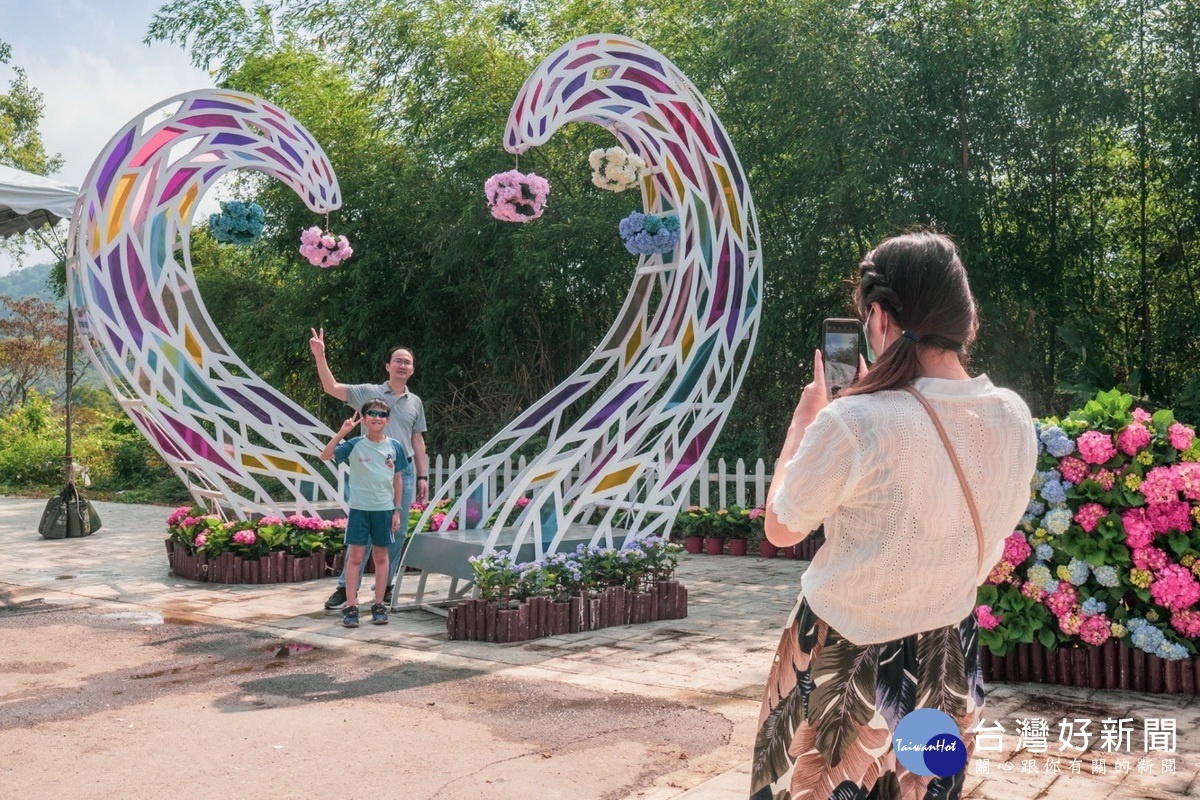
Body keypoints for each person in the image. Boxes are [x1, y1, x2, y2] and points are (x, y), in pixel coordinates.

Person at [751, 232, 1037, 799]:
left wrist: (803, 424)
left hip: (843, 658)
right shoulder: (1012, 416)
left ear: (878, 317)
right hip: (947, 656)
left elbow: (782, 526)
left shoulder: (851, 421)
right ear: (963, 319)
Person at [310, 329, 430, 610]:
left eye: (407, 362)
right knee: (360, 533)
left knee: (396, 533)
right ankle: (345, 589)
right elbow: (331, 387)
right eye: (398, 360)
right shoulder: (369, 393)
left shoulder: (415, 402)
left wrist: (423, 475)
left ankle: (386, 586)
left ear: (412, 369)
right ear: (388, 366)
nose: (402, 365)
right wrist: (320, 356)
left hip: (404, 473)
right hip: (369, 474)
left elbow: (417, 439)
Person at [320, 399, 406, 627]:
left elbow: (398, 480)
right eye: (371, 413)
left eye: (381, 414)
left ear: (387, 420)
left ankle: (378, 605)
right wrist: (342, 433)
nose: (376, 417)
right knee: (356, 557)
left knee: (381, 557)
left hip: (384, 510)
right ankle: (350, 606)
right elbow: (325, 456)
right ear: (365, 418)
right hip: (359, 509)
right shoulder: (355, 444)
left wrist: (397, 511)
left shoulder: (395, 446)